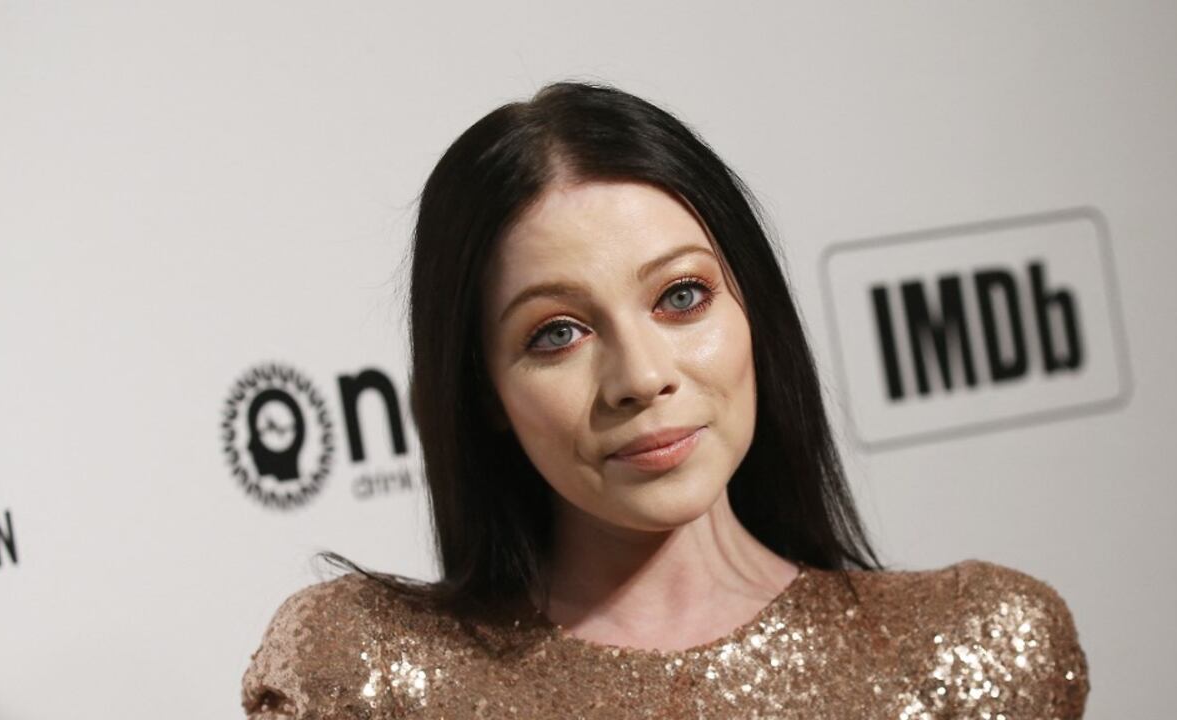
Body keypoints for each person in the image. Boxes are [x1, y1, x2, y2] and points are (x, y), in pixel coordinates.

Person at [241, 81, 1089, 719]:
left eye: (681, 297)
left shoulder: (971, 654)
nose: (642, 377)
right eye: (557, 333)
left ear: (754, 309)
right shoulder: (366, 680)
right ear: (486, 394)